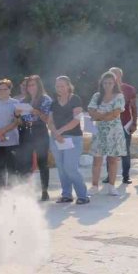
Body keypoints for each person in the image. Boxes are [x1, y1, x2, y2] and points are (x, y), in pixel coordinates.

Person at [47, 76, 89, 204]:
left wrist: (60, 132)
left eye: (62, 86)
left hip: (73, 138)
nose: (59, 88)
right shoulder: (54, 103)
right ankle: (66, 195)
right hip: (56, 138)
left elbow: (76, 120)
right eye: (57, 86)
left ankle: (83, 196)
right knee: (61, 168)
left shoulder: (75, 99)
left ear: (68, 86)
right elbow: (50, 121)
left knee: (70, 168)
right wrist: (56, 134)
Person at [87, 71, 128, 196]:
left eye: (110, 83)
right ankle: (94, 186)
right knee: (97, 160)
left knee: (112, 160)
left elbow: (115, 114)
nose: (107, 85)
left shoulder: (119, 96)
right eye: (105, 83)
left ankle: (111, 186)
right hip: (99, 132)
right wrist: (103, 116)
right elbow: (90, 111)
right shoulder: (96, 96)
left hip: (114, 132)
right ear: (102, 83)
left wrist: (99, 116)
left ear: (114, 83)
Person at [15, 75, 53, 201]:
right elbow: (19, 122)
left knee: (42, 163)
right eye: (28, 85)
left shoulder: (46, 99)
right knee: (25, 163)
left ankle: (44, 191)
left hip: (39, 130)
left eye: (33, 85)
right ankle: (26, 191)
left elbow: (47, 120)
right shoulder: (22, 101)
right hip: (25, 131)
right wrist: (17, 115)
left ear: (38, 85)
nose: (30, 87)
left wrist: (38, 112)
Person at [107, 67, 138, 184]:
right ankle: (109, 176)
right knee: (110, 151)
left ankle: (126, 176)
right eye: (111, 74)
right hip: (109, 125)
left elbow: (134, 107)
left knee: (125, 151)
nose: (114, 76)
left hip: (125, 124)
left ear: (121, 75)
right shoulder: (105, 88)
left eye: (116, 74)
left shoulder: (129, 89)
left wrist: (134, 123)